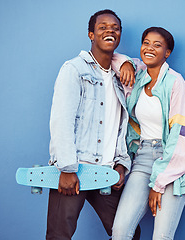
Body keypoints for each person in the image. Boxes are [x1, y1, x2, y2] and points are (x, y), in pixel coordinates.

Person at [46, 9, 140, 240]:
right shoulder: (74, 69)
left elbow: (119, 127)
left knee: (127, 232)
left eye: (115, 28)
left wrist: (121, 164)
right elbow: (62, 120)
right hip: (75, 170)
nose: (110, 30)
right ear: (91, 34)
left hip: (106, 172)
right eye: (103, 27)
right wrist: (67, 168)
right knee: (59, 235)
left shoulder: (120, 79)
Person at [111, 27, 185, 239]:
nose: (149, 48)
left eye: (157, 45)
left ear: (167, 53)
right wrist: (127, 64)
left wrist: (159, 184)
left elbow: (182, 137)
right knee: (120, 231)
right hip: (142, 158)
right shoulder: (138, 76)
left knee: (161, 237)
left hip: (173, 164)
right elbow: (110, 56)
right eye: (146, 43)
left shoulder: (175, 83)